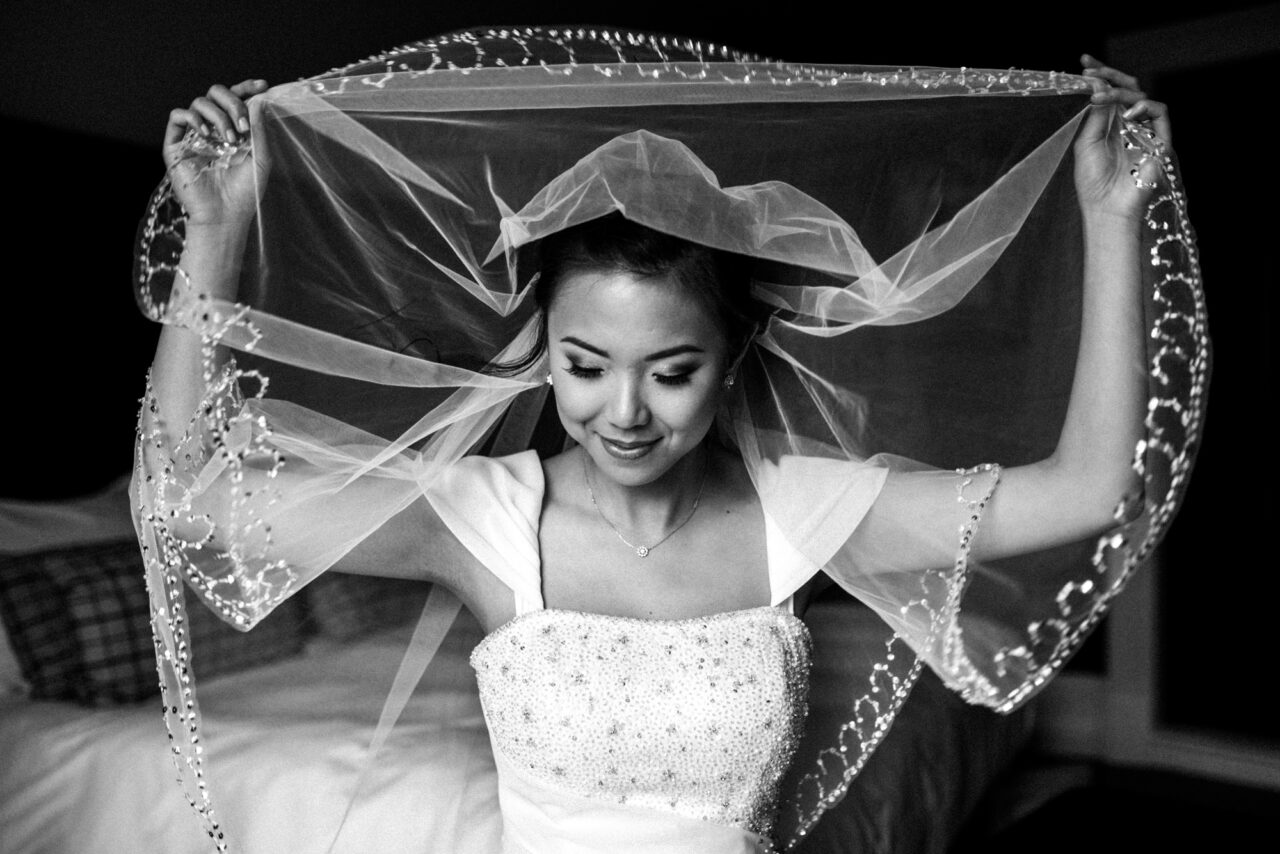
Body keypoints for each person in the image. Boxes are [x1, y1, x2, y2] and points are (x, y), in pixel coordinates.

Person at [138, 32, 1194, 854]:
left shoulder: (796, 509)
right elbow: (188, 501)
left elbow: (1086, 490)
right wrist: (219, 232)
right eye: (585, 365)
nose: (624, 411)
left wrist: (1108, 217)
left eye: (670, 370)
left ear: (730, 360)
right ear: (541, 352)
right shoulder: (478, 517)